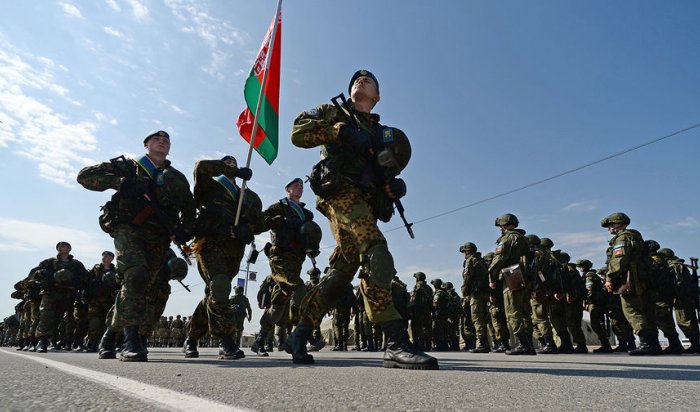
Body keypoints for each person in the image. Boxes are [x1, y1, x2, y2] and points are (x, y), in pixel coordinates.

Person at [290, 69, 437, 369]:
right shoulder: (334, 112)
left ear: (377, 96)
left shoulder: (381, 134)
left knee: (341, 273)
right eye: (357, 79)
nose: (361, 79)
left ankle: (301, 331)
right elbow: (298, 132)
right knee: (376, 251)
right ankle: (395, 341)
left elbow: (385, 172)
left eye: (368, 80)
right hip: (339, 194)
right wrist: (339, 132)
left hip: (365, 203)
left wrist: (393, 186)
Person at [78, 130, 195, 362]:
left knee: (138, 287)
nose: (162, 141)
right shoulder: (130, 167)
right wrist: (120, 183)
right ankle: (130, 340)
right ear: (146, 145)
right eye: (156, 139)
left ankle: (109, 335)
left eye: (166, 140)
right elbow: (84, 177)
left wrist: (185, 229)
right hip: (128, 229)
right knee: (136, 274)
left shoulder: (175, 176)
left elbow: (188, 206)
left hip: (159, 236)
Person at [183, 155, 257, 360]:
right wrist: (231, 171)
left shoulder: (247, 196)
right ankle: (225, 339)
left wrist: (246, 229)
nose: (230, 164)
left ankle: (191, 336)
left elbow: (257, 221)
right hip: (209, 242)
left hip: (234, 248)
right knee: (220, 284)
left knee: (214, 293)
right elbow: (201, 166)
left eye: (233, 162)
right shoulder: (209, 185)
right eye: (227, 162)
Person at [250, 178, 321, 356]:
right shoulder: (278, 207)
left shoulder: (306, 213)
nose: (299, 188)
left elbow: (309, 235)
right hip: (279, 257)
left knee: (278, 306)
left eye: (301, 186)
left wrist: (313, 247)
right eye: (295, 185)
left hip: (297, 259)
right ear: (287, 189)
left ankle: (259, 341)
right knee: (299, 289)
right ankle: (302, 337)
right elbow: (260, 222)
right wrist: (277, 221)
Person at [601, 212, 660, 355]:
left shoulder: (622, 238)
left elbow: (618, 261)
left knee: (632, 310)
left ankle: (646, 343)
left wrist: (609, 278)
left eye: (612, 224)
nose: (610, 228)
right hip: (642, 280)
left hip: (631, 281)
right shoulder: (636, 238)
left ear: (620, 223)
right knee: (646, 311)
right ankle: (653, 344)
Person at [29, 242, 89, 353]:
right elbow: (34, 274)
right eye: (59, 246)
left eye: (64, 246)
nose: (61, 247)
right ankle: (42, 341)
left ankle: (63, 341)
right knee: (46, 316)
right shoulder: (50, 262)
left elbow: (85, 277)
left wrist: (75, 282)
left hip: (67, 293)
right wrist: (42, 273)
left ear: (70, 249)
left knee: (61, 319)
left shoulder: (76, 264)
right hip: (51, 292)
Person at [489, 214, 534, 355]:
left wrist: (491, 277)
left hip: (512, 274)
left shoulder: (507, 238)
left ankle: (523, 344)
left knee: (512, 310)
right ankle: (528, 344)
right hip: (525, 277)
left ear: (504, 225)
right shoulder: (524, 239)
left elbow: (498, 259)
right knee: (525, 311)